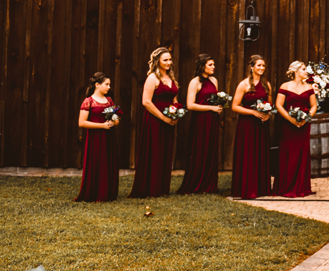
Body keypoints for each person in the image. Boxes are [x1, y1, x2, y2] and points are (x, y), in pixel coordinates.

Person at [130, 47, 179, 198]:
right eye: (165, 60)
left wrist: (175, 114)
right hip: (155, 121)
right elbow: (146, 102)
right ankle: (152, 189)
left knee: (166, 152)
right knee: (155, 152)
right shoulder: (152, 78)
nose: (168, 62)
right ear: (157, 61)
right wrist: (163, 118)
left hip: (168, 121)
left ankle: (163, 188)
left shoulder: (171, 78)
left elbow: (174, 100)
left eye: (170, 59)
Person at [178, 53, 222, 195]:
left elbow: (214, 99)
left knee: (211, 150)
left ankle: (209, 185)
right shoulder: (195, 82)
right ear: (202, 66)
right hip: (200, 121)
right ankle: (196, 184)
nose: (213, 67)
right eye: (210, 65)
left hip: (212, 120)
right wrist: (211, 108)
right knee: (199, 151)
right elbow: (190, 105)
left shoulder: (214, 80)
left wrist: (219, 106)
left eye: (213, 64)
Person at [275, 61, 319, 198]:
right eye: (304, 69)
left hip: (303, 126)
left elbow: (314, 106)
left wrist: (306, 119)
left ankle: (301, 186)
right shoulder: (285, 86)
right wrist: (291, 119)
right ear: (295, 71)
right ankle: (286, 186)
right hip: (288, 126)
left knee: (302, 153)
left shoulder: (309, 87)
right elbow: (279, 105)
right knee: (288, 153)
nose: (306, 71)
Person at [231, 54, 272, 199]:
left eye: (263, 66)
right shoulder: (244, 84)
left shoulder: (266, 84)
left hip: (261, 125)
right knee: (248, 154)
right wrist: (253, 112)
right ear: (252, 67)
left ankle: (261, 188)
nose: (261, 68)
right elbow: (234, 106)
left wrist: (268, 114)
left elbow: (269, 104)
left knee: (260, 153)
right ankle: (247, 188)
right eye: (259, 65)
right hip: (247, 124)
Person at [76, 72, 120, 202]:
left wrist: (114, 121)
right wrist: (102, 126)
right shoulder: (88, 101)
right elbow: (82, 122)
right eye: (106, 84)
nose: (108, 87)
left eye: (109, 85)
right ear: (97, 85)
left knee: (108, 162)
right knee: (96, 162)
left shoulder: (109, 100)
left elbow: (116, 118)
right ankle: (95, 193)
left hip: (109, 137)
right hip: (95, 137)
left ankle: (108, 192)